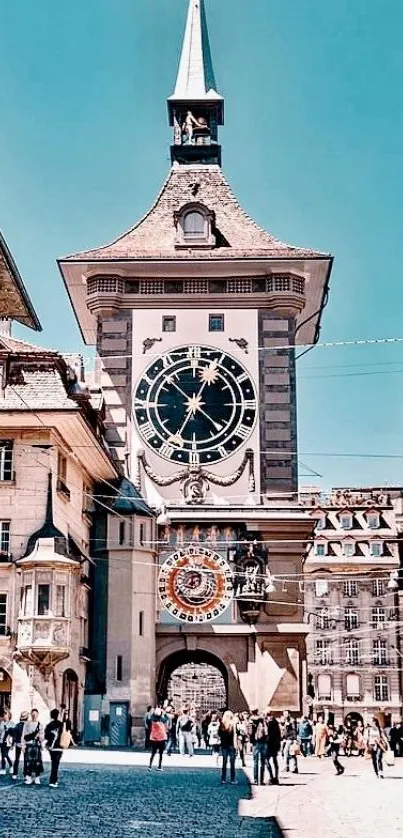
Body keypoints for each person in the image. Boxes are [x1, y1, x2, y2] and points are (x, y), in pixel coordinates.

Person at [22, 709, 44, 784]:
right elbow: (24, 735)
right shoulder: (27, 724)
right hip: (29, 745)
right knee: (29, 763)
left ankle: (37, 778)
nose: (34, 716)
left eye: (35, 714)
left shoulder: (40, 725)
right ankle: (29, 777)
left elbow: (42, 736)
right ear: (31, 715)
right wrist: (23, 746)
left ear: (37, 715)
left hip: (36, 745)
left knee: (37, 762)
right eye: (33, 714)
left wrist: (41, 741)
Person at [44, 709, 65, 787]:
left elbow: (46, 736)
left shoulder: (49, 725)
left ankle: (53, 780)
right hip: (59, 746)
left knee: (54, 763)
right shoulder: (61, 724)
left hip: (51, 747)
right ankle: (53, 780)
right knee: (56, 764)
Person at [249, 709, 267, 785]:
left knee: (255, 762)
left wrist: (250, 741)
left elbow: (250, 732)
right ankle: (261, 780)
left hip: (255, 743)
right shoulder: (262, 720)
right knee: (262, 762)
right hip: (263, 742)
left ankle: (256, 779)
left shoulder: (251, 720)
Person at [148, 706, 168, 771]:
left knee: (153, 753)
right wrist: (164, 713)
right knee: (161, 754)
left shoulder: (153, 721)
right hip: (161, 739)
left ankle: (150, 766)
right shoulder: (162, 721)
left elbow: (150, 718)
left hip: (154, 738)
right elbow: (166, 718)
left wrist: (154, 712)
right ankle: (159, 766)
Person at [219, 710, 237, 784]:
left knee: (224, 762)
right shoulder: (233, 724)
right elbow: (235, 735)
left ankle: (223, 779)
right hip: (231, 745)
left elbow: (219, 734)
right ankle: (232, 779)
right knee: (232, 763)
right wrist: (235, 745)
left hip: (224, 745)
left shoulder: (221, 724)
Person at [11, 711, 29, 780]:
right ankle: (25, 774)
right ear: (27, 717)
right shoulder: (28, 725)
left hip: (18, 744)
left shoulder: (17, 725)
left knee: (17, 759)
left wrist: (13, 744)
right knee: (26, 760)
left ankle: (15, 774)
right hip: (25, 744)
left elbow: (14, 736)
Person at [266, 710, 281, 785]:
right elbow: (279, 735)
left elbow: (266, 734)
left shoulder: (268, 723)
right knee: (275, 761)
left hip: (269, 744)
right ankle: (276, 778)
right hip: (275, 744)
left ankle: (272, 777)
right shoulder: (276, 723)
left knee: (267, 760)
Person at [0, 709, 14, 775]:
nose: (5, 715)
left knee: (5, 754)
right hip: (1, 741)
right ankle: (3, 768)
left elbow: (13, 734)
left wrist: (13, 744)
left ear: (9, 715)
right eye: (4, 714)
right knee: (3, 755)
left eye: (6, 714)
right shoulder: (1, 722)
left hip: (8, 742)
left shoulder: (12, 723)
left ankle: (11, 765)